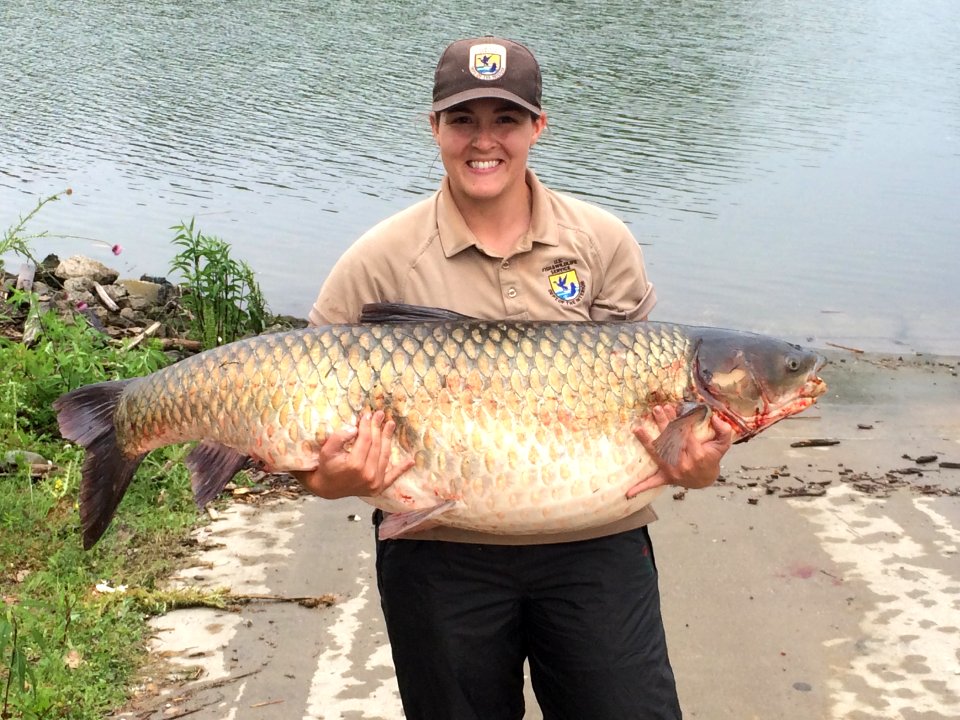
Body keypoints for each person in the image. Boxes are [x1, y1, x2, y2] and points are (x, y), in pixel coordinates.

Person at [294, 36, 733, 720]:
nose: (484, 141)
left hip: (596, 548)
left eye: (505, 119)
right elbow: (313, 450)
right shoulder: (377, 261)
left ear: (538, 126)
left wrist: (695, 467)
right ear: (433, 126)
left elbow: (665, 435)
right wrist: (335, 479)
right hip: (439, 558)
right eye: (463, 120)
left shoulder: (602, 242)